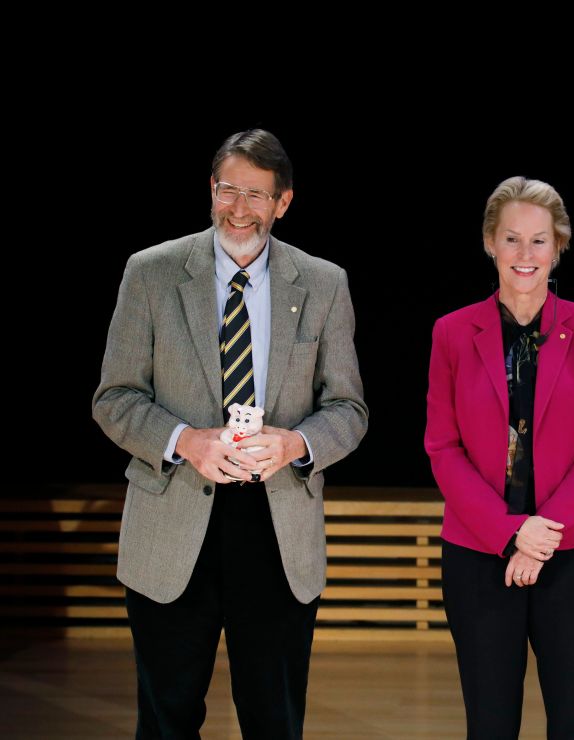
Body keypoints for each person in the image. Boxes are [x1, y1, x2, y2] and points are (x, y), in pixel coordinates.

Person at [92, 129, 368, 738]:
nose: (238, 209)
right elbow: (114, 400)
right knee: (167, 720)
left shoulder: (323, 284)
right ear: (211, 190)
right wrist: (185, 440)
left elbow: (349, 410)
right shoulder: (151, 273)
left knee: (274, 721)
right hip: (172, 523)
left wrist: (296, 444)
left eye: (256, 195)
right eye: (228, 190)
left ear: (283, 202)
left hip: (276, 532)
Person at [425, 176, 574, 739]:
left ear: (559, 245)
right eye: (512, 239)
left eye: (540, 240)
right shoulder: (452, 332)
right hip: (478, 555)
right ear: (490, 243)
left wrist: (541, 537)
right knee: (489, 722)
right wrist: (510, 534)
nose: (525, 254)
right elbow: (443, 446)